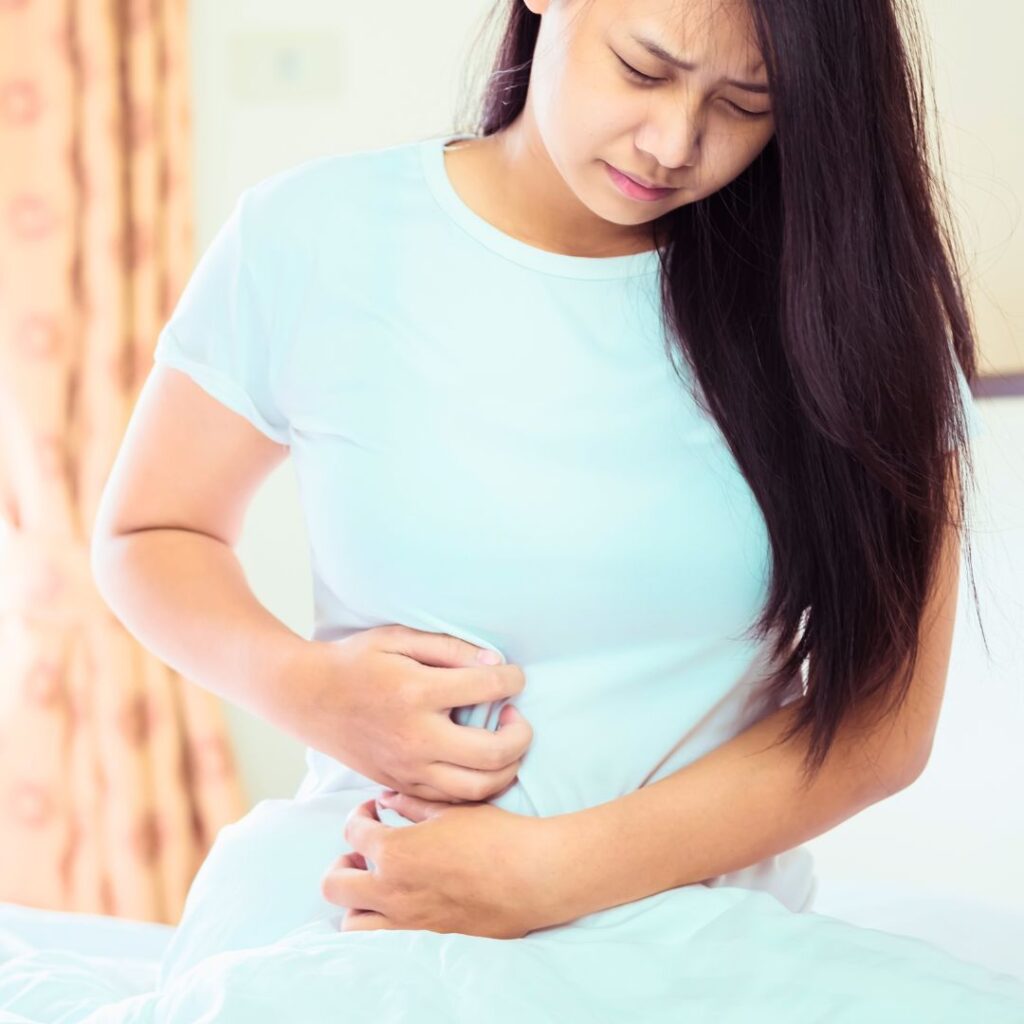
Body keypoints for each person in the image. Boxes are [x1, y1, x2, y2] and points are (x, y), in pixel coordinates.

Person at [23, 0, 1016, 1020]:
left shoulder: (850, 309)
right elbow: (149, 534)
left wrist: (544, 875)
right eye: (642, 68)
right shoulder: (312, 234)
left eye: (743, 105)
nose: (674, 143)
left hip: (698, 936)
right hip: (369, 902)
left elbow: (880, 726)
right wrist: (307, 687)